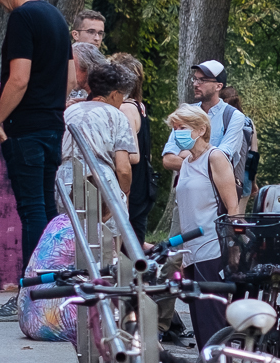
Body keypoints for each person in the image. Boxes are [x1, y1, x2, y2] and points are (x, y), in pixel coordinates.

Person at [0, 0, 73, 321]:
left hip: (26, 128)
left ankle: (30, 293)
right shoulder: (55, 16)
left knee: (32, 210)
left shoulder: (22, 17)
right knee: (47, 210)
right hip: (52, 124)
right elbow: (70, 76)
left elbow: (18, 79)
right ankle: (51, 289)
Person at [165, 105, 241, 351]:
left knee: (212, 318)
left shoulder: (215, 157)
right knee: (198, 318)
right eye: (175, 128)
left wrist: (233, 245)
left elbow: (232, 205)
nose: (177, 133)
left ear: (200, 129)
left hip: (212, 246)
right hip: (191, 251)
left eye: (182, 127)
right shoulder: (186, 161)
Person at [58, 60, 139, 214]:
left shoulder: (69, 111)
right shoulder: (117, 116)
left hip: (64, 182)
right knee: (104, 229)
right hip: (101, 185)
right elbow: (123, 168)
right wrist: (124, 193)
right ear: (115, 94)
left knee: (68, 226)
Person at [165, 61, 251, 196]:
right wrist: (205, 159)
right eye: (195, 79)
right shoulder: (185, 113)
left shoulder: (233, 116)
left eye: (202, 80)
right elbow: (168, 160)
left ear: (218, 86)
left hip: (216, 198)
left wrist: (186, 155)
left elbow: (221, 160)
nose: (195, 84)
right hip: (185, 196)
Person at [110, 52, 156, 239]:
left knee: (128, 245)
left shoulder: (126, 108)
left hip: (133, 187)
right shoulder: (139, 106)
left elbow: (134, 155)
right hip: (142, 186)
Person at [219, 84, 259, 193]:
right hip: (244, 174)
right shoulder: (248, 123)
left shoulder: (219, 121)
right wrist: (253, 182)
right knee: (240, 204)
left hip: (222, 173)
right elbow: (253, 154)